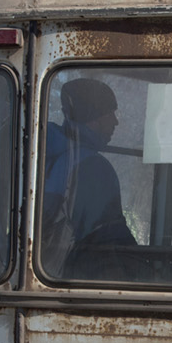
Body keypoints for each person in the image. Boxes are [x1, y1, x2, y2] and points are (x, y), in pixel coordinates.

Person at [45, 78, 137, 274]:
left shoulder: (54, 157)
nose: (115, 121)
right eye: (109, 113)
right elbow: (110, 239)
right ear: (93, 118)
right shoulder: (93, 167)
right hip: (81, 276)